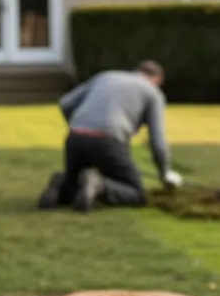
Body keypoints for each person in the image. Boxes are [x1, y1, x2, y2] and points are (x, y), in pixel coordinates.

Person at [38, 60, 184, 213]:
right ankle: (99, 185)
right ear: (157, 80)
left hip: (76, 137)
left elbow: (65, 103)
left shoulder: (106, 77)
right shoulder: (153, 93)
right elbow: (157, 141)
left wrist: (81, 127)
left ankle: (60, 184)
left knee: (74, 184)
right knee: (136, 193)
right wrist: (165, 173)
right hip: (107, 140)